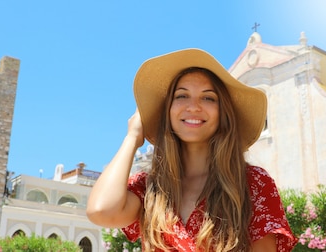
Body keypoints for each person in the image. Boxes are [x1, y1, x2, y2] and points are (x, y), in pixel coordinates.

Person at [87, 48, 296, 251]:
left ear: (223, 113)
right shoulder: (150, 188)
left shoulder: (252, 183)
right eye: (181, 96)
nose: (194, 106)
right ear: (167, 111)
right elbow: (101, 211)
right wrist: (132, 137)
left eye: (208, 98)